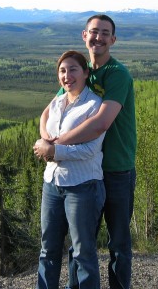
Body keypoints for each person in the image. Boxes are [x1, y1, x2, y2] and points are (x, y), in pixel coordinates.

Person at [39, 14, 137, 289]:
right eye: (94, 32)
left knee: (118, 243)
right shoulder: (80, 72)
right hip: (86, 172)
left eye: (105, 33)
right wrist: (46, 137)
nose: (99, 37)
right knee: (81, 245)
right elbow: (49, 110)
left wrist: (55, 147)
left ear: (113, 40)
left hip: (116, 167)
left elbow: (101, 123)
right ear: (85, 35)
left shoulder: (117, 74)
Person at [33, 50, 106, 289]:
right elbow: (47, 129)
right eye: (62, 71)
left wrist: (53, 151)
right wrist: (43, 142)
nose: (67, 76)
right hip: (52, 184)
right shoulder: (57, 102)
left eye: (73, 69)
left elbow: (90, 150)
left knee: (83, 252)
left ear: (86, 73)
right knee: (48, 249)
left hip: (82, 186)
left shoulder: (94, 105)